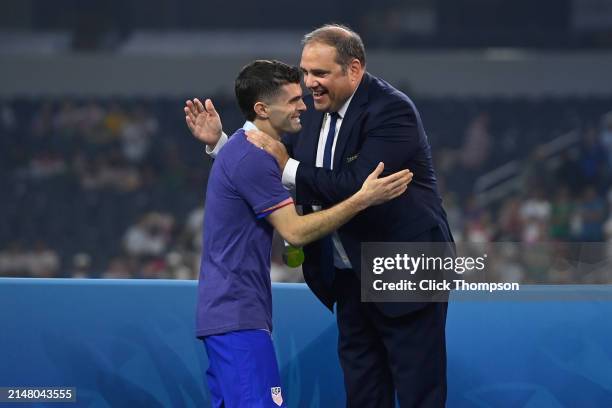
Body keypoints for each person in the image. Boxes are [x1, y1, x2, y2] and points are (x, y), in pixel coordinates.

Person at [185, 24, 454, 408]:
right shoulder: (310, 112)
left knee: (418, 390)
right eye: (306, 72)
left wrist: (288, 166)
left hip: (403, 266)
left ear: (355, 69)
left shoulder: (391, 110)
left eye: (320, 73)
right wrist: (223, 145)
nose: (309, 83)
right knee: (363, 391)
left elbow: (358, 185)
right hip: (349, 274)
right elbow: (258, 164)